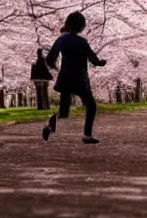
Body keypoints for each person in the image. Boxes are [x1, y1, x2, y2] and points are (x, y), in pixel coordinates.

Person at [42, 11, 107, 144]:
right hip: (80, 78)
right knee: (91, 105)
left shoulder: (62, 39)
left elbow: (50, 58)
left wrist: (55, 67)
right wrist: (100, 63)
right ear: (81, 27)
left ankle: (51, 121)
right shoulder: (82, 41)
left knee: (64, 111)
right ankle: (87, 135)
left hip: (66, 78)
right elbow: (93, 58)